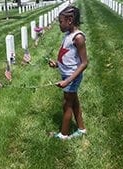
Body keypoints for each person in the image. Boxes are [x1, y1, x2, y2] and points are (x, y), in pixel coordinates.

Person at [48, 6, 88, 140]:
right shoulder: (68, 35)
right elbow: (69, 57)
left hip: (72, 77)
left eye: (61, 21)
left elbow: (84, 63)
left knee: (67, 104)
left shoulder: (78, 38)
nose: (59, 24)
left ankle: (63, 134)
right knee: (74, 101)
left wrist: (68, 81)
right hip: (67, 75)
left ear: (69, 20)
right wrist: (57, 64)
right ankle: (81, 129)